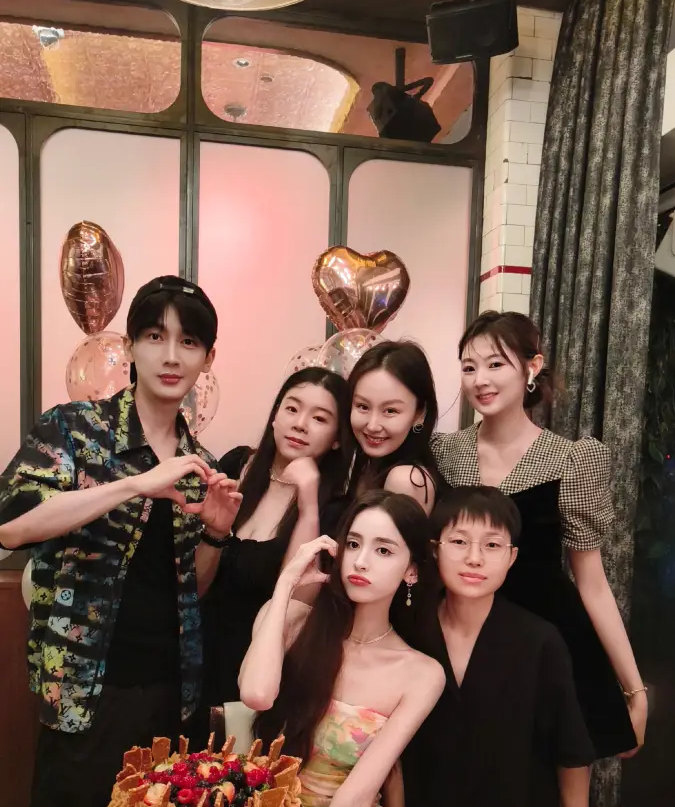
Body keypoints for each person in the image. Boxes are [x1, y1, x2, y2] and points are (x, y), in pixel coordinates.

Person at [0, 276, 240, 807]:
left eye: (188, 342)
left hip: (170, 691)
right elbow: (13, 525)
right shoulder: (73, 428)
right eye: (155, 336)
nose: (170, 356)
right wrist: (136, 483)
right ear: (130, 346)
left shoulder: (200, 466)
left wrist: (215, 532)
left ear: (208, 358)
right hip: (84, 687)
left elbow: (191, 587)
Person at [432, 311, 643, 766]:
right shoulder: (444, 453)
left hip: (548, 637)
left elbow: (592, 582)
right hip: (457, 636)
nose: (480, 380)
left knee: (552, 774)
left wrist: (634, 687)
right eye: (469, 367)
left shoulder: (571, 459)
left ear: (532, 367)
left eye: (495, 364)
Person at [238, 491, 445, 807]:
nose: (361, 562)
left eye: (383, 550)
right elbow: (256, 695)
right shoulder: (291, 622)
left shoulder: (422, 674)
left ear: (411, 570)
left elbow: (357, 795)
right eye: (353, 544)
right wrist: (286, 584)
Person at [402, 486, 594, 807]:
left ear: (512, 557)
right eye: (459, 542)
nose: (474, 558)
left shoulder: (539, 641)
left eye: (492, 545)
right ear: (435, 549)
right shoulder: (408, 630)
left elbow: (571, 754)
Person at [197, 367, 351, 711]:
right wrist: (216, 533)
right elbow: (195, 586)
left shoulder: (335, 509)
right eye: (292, 408)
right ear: (275, 417)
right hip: (195, 656)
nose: (300, 424)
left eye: (320, 418)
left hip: (257, 676)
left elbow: (296, 605)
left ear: (337, 438)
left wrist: (308, 502)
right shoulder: (236, 466)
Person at [347, 341, 443, 515]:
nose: (372, 425)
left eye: (390, 411)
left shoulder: (406, 480)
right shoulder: (364, 463)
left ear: (420, 414)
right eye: (363, 406)